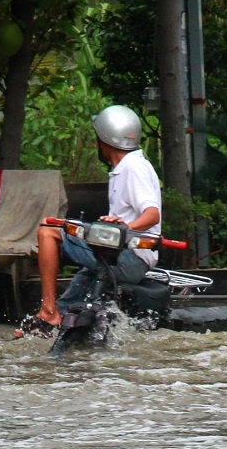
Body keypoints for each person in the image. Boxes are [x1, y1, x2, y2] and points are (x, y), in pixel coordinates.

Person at [35, 104, 162, 327]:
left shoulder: (134, 168)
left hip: (129, 258)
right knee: (82, 281)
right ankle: (58, 320)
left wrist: (125, 229)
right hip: (120, 255)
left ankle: (47, 309)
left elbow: (152, 215)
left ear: (102, 140)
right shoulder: (126, 167)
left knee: (48, 229)